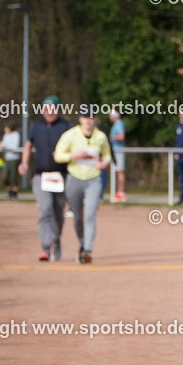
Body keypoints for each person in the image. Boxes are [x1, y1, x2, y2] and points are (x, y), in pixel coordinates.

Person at [53, 106, 112, 264]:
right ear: (80, 119)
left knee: (90, 214)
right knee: (78, 217)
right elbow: (58, 155)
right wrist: (74, 155)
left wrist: (104, 162)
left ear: (95, 119)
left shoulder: (100, 137)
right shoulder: (70, 135)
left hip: (93, 179)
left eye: (91, 117)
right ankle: (82, 243)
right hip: (75, 179)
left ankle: (87, 249)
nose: (88, 120)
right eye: (85, 117)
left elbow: (107, 154)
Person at [19, 95, 72, 261]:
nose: (50, 112)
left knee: (57, 212)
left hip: (61, 176)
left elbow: (74, 145)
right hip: (41, 176)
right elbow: (28, 145)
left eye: (53, 108)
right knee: (45, 209)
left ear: (57, 109)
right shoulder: (36, 126)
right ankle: (46, 247)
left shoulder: (66, 126)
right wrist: (24, 163)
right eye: (46, 109)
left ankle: (56, 240)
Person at [0, 123, 22, 200]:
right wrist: (0, 145)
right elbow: (2, 144)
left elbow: (14, 147)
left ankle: (14, 194)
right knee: (5, 177)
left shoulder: (16, 135)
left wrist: (5, 146)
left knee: (14, 177)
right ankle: (9, 192)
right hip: (7, 158)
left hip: (14, 158)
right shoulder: (6, 135)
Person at [108, 110, 127, 201]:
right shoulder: (116, 125)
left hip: (118, 151)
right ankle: (118, 192)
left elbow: (121, 136)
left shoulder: (119, 124)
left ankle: (121, 192)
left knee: (120, 171)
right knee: (117, 171)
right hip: (115, 151)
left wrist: (111, 137)